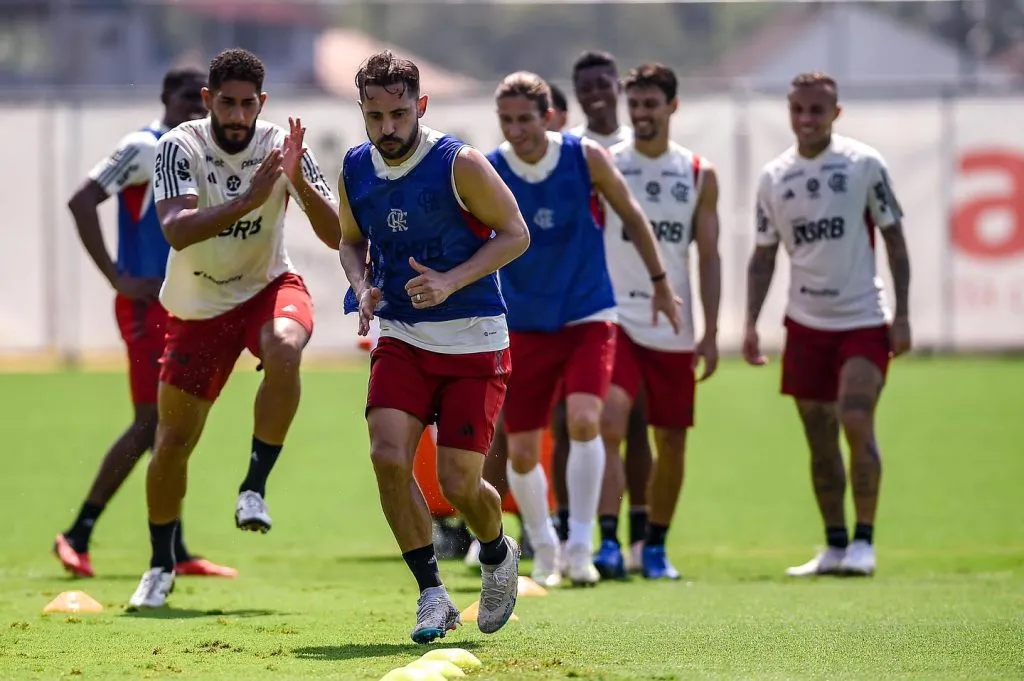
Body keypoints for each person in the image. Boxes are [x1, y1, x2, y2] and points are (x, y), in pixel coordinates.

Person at [127, 48, 341, 608]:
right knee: (172, 443)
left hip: (268, 285)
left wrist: (299, 179)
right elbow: (176, 230)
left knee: (288, 346)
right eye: (227, 103)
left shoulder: (281, 144)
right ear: (208, 100)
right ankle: (159, 564)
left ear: (262, 103)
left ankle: (253, 486)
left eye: (249, 104)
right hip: (198, 305)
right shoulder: (179, 145)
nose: (238, 115)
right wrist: (249, 198)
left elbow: (334, 233)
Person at [338, 50, 528, 643]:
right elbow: (349, 241)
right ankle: (433, 594)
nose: (387, 128)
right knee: (387, 456)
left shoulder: (458, 164)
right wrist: (363, 286)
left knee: (459, 485)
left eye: (398, 114)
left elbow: (516, 235)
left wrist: (449, 281)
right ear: (363, 112)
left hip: (474, 342)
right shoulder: (355, 169)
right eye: (375, 116)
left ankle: (497, 552)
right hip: (402, 336)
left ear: (420, 105)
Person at [489, 71, 680, 588]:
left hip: (588, 314)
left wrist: (661, 282)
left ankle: (580, 546)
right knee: (523, 451)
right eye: (506, 120)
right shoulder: (489, 169)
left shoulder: (585, 157)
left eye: (525, 118)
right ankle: (545, 548)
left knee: (584, 420)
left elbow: (633, 216)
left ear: (549, 116)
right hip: (524, 322)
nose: (516, 130)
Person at [56, 66, 235, 580]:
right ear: (165, 98)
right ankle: (77, 534)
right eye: (184, 99)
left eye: (200, 102)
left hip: (185, 302)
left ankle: (175, 550)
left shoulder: (200, 152)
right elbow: (81, 200)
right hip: (146, 304)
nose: (194, 110)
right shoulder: (143, 147)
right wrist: (115, 275)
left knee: (177, 420)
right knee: (150, 422)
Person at [744, 72, 912, 578]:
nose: (806, 119)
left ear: (835, 113)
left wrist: (902, 314)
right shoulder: (775, 176)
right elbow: (763, 256)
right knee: (818, 435)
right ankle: (835, 545)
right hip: (806, 324)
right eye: (798, 109)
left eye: (817, 110)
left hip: (862, 319)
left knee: (855, 419)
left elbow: (896, 242)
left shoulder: (864, 165)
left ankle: (865, 541)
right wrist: (750, 323)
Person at [600, 63, 721, 581]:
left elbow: (709, 256)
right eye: (636, 104)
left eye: (652, 104)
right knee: (608, 422)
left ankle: (654, 547)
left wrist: (712, 332)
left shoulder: (697, 173)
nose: (642, 114)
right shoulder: (606, 163)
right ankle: (606, 542)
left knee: (672, 438)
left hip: (672, 323)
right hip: (616, 317)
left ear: (673, 106)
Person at [570, 50, 653, 573]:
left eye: (603, 82)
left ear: (617, 87)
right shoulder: (571, 152)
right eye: (586, 86)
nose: (596, 92)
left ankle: (642, 537)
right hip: (589, 305)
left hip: (644, 301)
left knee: (641, 425)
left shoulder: (640, 150)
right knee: (589, 422)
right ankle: (587, 534)